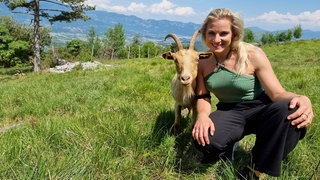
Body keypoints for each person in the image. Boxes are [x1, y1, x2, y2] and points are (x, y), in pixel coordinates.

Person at [191, 8, 314, 179]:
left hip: (262, 108)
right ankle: (227, 146)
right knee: (203, 140)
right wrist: (203, 116)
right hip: (229, 110)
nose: (216, 39)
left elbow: (277, 94)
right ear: (205, 33)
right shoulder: (202, 62)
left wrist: (301, 98)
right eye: (211, 33)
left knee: (292, 111)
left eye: (223, 33)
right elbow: (203, 96)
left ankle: (254, 169)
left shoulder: (253, 55)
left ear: (234, 34)